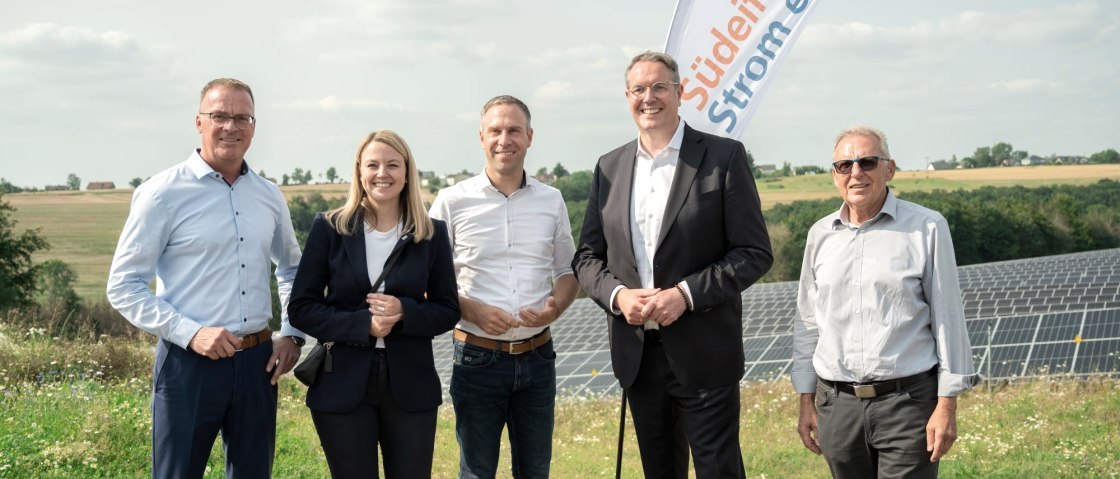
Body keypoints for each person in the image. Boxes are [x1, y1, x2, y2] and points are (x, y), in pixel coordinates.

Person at [572, 51, 773, 479]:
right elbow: (587, 257)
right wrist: (617, 295)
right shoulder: (609, 167)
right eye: (639, 89)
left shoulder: (724, 157)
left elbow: (753, 253)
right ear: (627, 97)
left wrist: (685, 295)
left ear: (680, 93)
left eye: (660, 87)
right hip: (638, 357)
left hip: (705, 355)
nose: (650, 97)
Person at [106, 78, 305, 479]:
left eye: (241, 117)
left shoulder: (268, 194)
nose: (231, 126)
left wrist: (293, 333)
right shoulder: (161, 194)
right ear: (199, 122)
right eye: (220, 116)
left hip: (258, 364)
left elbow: (291, 268)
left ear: (253, 126)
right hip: (188, 364)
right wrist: (191, 333)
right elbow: (123, 285)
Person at [792, 126, 982, 478]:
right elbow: (808, 321)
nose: (856, 173)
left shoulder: (927, 228)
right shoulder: (820, 235)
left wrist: (947, 404)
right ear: (834, 174)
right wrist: (806, 399)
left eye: (867, 162)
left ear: (889, 169)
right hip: (837, 406)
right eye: (844, 165)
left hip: (907, 405)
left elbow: (948, 318)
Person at [288, 130, 459, 479]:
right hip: (342, 385)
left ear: (408, 172)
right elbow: (302, 308)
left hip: (411, 387)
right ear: (359, 172)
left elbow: (447, 309)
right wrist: (362, 325)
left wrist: (404, 313)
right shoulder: (329, 228)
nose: (383, 173)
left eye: (393, 164)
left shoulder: (431, 233)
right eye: (373, 165)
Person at [428, 95, 579, 479]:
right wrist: (471, 310)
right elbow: (427, 282)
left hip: (538, 356)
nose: (504, 139)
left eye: (514, 130)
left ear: (530, 137)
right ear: (481, 137)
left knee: (535, 471)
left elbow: (567, 271)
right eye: (495, 130)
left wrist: (555, 308)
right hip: (477, 359)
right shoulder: (451, 202)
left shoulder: (552, 200)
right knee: (477, 472)